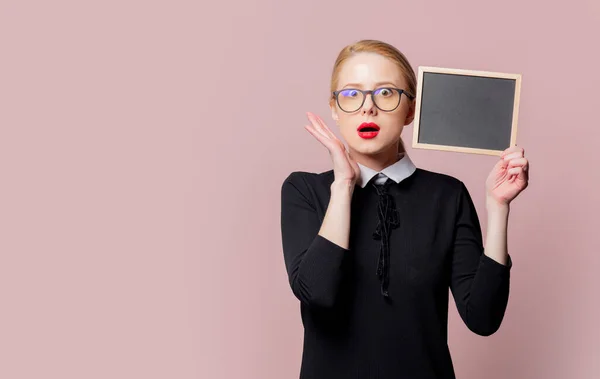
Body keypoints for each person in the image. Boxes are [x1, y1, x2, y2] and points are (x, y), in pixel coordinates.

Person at [280, 39, 529, 379]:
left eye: (386, 93)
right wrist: (343, 185)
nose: (368, 108)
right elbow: (317, 292)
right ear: (335, 109)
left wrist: (498, 209)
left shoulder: (448, 195)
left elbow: (483, 318)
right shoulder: (305, 190)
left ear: (411, 109)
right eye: (351, 95)